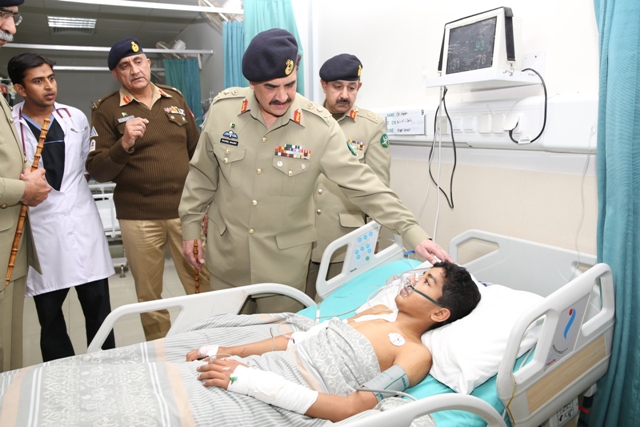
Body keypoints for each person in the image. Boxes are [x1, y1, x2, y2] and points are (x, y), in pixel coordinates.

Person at [180, 28, 451, 315]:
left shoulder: (319, 126)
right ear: (252, 83)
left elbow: (364, 184)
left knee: (279, 337)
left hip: (283, 268)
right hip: (227, 259)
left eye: (290, 84)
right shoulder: (224, 110)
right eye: (271, 87)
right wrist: (190, 226)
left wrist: (413, 232)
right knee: (224, 336)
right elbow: (201, 175)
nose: (283, 96)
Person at [188, 261, 481, 422]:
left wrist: (251, 382)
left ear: (440, 313)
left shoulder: (416, 355)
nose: (412, 281)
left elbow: (350, 409)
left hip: (286, 399)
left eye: (426, 282)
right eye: (420, 275)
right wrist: (229, 351)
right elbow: (298, 339)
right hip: (259, 367)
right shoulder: (377, 311)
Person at [86, 37, 210, 341]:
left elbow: (198, 153)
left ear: (148, 63)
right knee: (149, 297)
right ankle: (161, 352)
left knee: (202, 284)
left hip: (185, 213)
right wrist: (124, 143)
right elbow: (98, 170)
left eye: (138, 61)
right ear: (115, 74)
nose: (134, 70)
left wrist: (206, 205)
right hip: (138, 217)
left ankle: (210, 342)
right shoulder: (106, 109)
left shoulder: (174, 98)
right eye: (124, 66)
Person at [8, 52, 116, 361]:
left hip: (82, 222)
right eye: (38, 81)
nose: (49, 86)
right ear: (20, 88)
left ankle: (107, 366)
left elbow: (84, 165)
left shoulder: (75, 118)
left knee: (99, 311)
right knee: (50, 317)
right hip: (41, 229)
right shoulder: (10, 125)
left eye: (51, 78)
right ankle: (59, 372)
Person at [306, 53, 391, 299]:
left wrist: (373, 236)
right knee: (297, 306)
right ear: (324, 85)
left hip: (345, 240)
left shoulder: (371, 126)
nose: (345, 94)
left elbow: (378, 187)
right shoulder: (306, 120)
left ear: (358, 88)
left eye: (351, 88)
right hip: (302, 235)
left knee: (337, 306)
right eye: (337, 87)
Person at [0, 0, 52, 372]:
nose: (11, 27)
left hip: (11, 244)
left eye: (13, 17)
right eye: (3, 15)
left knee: (9, 348)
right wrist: (24, 190)